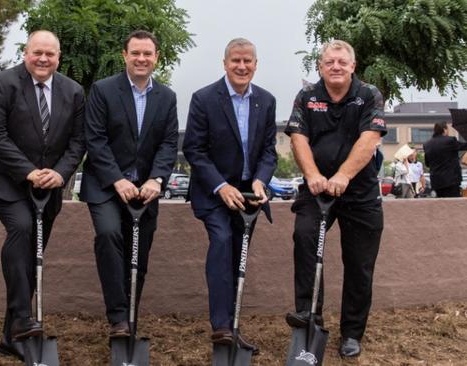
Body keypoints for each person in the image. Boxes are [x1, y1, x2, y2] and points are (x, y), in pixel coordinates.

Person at [0, 30, 86, 360]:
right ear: (26, 53)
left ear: (58, 57)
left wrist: (61, 173)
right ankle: (24, 318)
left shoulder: (73, 91)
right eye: (37, 52)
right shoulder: (2, 84)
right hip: (5, 179)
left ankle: (13, 335)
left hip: (48, 184)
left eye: (49, 54)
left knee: (33, 251)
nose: (43, 59)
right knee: (22, 229)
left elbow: (78, 142)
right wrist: (27, 171)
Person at [284, 40, 387, 358]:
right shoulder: (307, 96)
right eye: (329, 62)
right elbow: (298, 138)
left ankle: (352, 333)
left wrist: (343, 175)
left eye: (342, 62)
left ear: (353, 66)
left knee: (359, 265)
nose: (336, 67)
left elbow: (369, 139)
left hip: (360, 192)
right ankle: (309, 316)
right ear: (320, 66)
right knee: (304, 237)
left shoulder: (369, 94)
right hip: (316, 191)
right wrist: (313, 175)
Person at [80, 30, 178, 338]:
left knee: (140, 250)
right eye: (135, 53)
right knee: (109, 235)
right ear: (124, 55)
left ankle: (131, 315)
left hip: (145, 190)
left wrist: (157, 178)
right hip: (105, 187)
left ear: (156, 58)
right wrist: (117, 179)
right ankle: (118, 319)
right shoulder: (103, 90)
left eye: (147, 54)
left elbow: (168, 143)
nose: (141, 59)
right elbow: (95, 140)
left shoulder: (167, 96)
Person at [182, 38, 276, 351]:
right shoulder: (204, 98)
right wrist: (221, 186)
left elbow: (268, 151)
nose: (242, 66)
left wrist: (261, 180)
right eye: (236, 60)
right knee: (222, 241)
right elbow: (194, 149)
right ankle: (221, 326)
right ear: (225, 63)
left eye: (248, 61)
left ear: (256, 64)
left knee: (239, 255)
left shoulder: (266, 100)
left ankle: (232, 327)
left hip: (250, 194)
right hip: (214, 193)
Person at [423, 122, 467, 198]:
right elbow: (463, 146)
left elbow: (427, 163)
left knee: (440, 205)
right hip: (451, 181)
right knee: (453, 205)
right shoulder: (450, 140)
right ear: (444, 130)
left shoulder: (427, 144)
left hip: (436, 182)